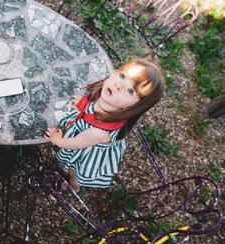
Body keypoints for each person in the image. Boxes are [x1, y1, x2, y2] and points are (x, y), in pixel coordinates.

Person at [44, 58, 164, 192]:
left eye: (130, 91)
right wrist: (84, 105)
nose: (119, 85)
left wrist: (58, 140)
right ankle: (69, 172)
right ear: (114, 73)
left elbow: (75, 143)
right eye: (122, 76)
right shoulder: (110, 100)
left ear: (133, 107)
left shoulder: (99, 132)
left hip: (87, 149)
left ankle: (73, 188)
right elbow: (94, 107)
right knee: (70, 166)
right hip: (85, 137)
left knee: (75, 173)